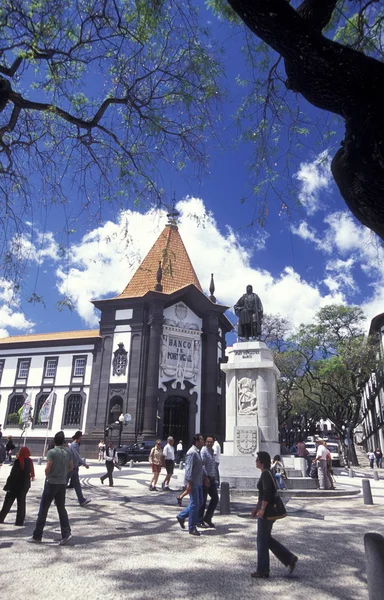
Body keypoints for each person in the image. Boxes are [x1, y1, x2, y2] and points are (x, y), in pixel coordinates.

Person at [251, 451, 298, 578]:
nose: (255, 462)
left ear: (261, 462)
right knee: (266, 539)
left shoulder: (266, 474)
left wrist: (262, 509)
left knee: (262, 540)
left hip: (267, 512)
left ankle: (263, 569)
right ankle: (289, 558)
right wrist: (256, 507)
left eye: (257, 460)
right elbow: (262, 495)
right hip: (265, 509)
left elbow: (266, 493)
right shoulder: (267, 473)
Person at [29, 430, 73, 545]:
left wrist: (48, 473)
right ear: (63, 441)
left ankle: (37, 535)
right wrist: (62, 473)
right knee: (61, 508)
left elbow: (48, 468)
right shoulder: (68, 452)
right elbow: (71, 467)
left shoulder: (52, 452)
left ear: (54, 440)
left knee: (43, 509)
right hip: (62, 483)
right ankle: (66, 533)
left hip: (51, 482)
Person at [176, 433, 209, 537]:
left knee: (198, 503)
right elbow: (188, 468)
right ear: (196, 441)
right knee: (195, 504)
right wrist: (189, 483)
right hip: (193, 482)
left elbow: (200, 467)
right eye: (202, 440)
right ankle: (192, 527)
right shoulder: (191, 452)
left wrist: (205, 476)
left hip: (198, 481)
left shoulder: (197, 452)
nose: (203, 441)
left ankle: (181, 516)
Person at [0, 447, 35, 526]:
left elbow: (13, 475)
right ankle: (19, 521)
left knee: (8, 502)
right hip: (25, 485)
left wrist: (8, 485)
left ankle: (1, 518)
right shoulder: (29, 461)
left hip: (15, 485)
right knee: (21, 503)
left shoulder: (18, 461)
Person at [198, 435, 218, 528]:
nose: (209, 443)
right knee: (203, 500)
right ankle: (199, 520)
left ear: (213, 442)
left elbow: (213, 465)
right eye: (208, 442)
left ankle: (208, 517)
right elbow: (202, 465)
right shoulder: (203, 451)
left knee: (215, 498)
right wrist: (205, 477)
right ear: (205, 442)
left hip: (212, 478)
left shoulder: (212, 451)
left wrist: (214, 477)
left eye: (211, 441)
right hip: (205, 479)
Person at [68, 431, 90, 506]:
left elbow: (76, 457)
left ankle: (81, 500)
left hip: (75, 467)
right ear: (78, 437)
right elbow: (76, 455)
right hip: (70, 468)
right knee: (63, 484)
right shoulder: (73, 445)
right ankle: (56, 499)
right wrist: (84, 463)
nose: (81, 438)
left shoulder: (76, 445)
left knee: (77, 484)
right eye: (81, 436)